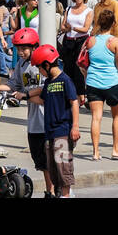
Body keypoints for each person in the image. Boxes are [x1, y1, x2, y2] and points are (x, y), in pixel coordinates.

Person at [0, 27, 51, 195]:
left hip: (48, 120)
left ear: (34, 47)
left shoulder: (43, 64)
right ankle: (50, 191)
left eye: (24, 48)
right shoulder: (21, 65)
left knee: (49, 163)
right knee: (41, 163)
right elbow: (11, 86)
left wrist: (25, 95)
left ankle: (52, 192)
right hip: (34, 122)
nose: (21, 52)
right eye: (18, 48)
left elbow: (47, 88)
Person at [85, 6, 118, 160]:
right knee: (117, 116)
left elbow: (84, 62)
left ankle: (95, 152)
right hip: (111, 82)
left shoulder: (91, 40)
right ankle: (115, 149)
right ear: (113, 23)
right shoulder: (115, 42)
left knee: (96, 117)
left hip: (93, 81)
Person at [35, 43, 79, 198]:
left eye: (39, 68)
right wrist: (22, 95)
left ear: (46, 65)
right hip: (50, 132)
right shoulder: (48, 82)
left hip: (62, 130)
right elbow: (42, 100)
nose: (39, 72)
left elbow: (74, 102)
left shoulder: (65, 80)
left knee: (63, 166)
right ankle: (62, 193)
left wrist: (75, 127)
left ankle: (66, 195)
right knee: (53, 168)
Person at [58, 0, 93, 104]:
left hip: (81, 41)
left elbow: (85, 28)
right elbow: (63, 26)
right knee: (68, 67)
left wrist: (72, 27)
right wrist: (67, 28)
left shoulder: (88, 11)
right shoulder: (69, 9)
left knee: (79, 68)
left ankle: (81, 94)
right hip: (69, 40)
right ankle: (69, 93)